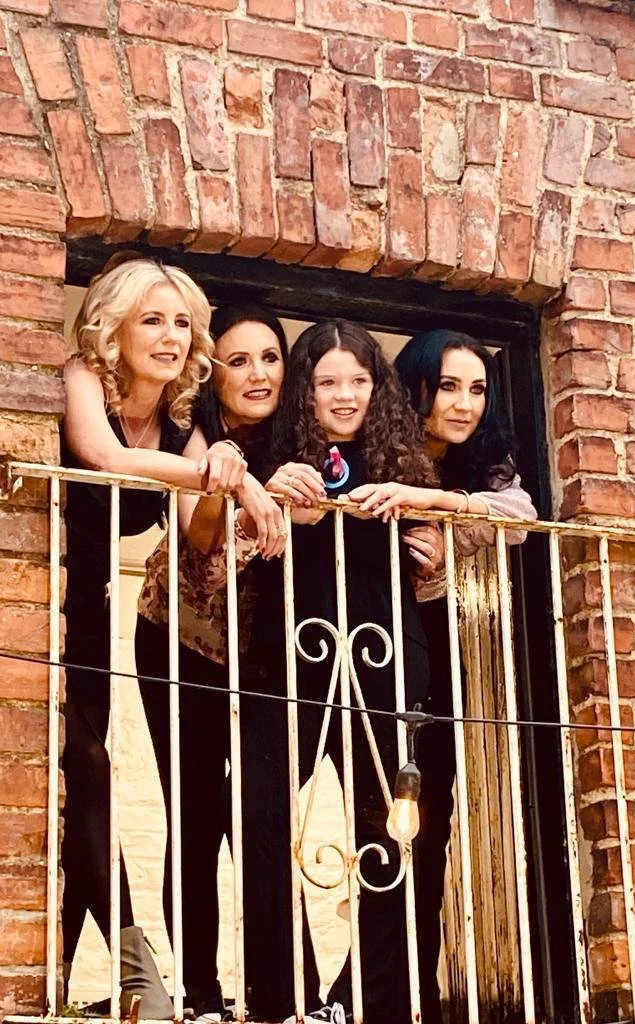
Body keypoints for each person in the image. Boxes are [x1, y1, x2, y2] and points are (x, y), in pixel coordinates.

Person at [61, 255, 265, 1018]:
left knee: (82, 775)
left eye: (183, 322)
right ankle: (132, 952)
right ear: (113, 326)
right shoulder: (82, 377)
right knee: (81, 765)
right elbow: (106, 460)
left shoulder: (186, 420)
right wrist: (234, 478)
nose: (172, 335)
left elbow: (196, 532)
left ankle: (111, 969)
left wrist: (225, 479)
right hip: (34, 589)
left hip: (88, 603)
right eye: (152, 318)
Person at [241, 319, 437, 1024]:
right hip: (288, 654)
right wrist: (265, 493)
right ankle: (280, 998)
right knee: (257, 810)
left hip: (387, 656)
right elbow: (227, 542)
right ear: (305, 390)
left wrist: (427, 521)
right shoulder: (272, 452)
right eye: (327, 382)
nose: (345, 395)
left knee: (389, 831)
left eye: (358, 379)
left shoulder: (402, 459)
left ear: (376, 386)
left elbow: (439, 554)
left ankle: (371, 1003)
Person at [134, 302, 316, 1021]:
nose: (258, 374)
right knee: (196, 809)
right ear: (214, 373)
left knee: (265, 816)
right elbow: (198, 543)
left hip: (269, 652)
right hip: (179, 638)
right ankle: (201, 994)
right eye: (238, 361)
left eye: (269, 358)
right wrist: (232, 483)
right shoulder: (194, 433)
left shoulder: (301, 438)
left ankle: (288, 994)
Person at [350, 329, 537, 1019]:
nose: (464, 404)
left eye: (478, 389)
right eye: (449, 386)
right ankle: (358, 991)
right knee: (373, 824)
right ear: (417, 385)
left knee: (426, 825)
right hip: (362, 640)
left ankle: (411, 992)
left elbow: (520, 520)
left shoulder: (480, 460)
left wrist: (438, 504)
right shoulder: (373, 442)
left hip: (436, 639)